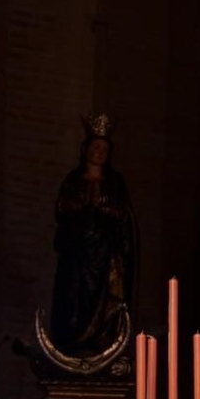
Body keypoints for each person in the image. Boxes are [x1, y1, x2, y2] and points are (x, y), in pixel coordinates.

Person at [47, 118, 136, 355]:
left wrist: (104, 205)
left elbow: (123, 214)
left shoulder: (115, 182)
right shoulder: (73, 180)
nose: (100, 153)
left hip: (105, 254)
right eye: (96, 148)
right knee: (74, 300)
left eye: (105, 150)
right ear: (85, 150)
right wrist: (84, 202)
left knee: (104, 299)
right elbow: (62, 207)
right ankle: (73, 343)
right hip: (77, 255)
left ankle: (100, 340)